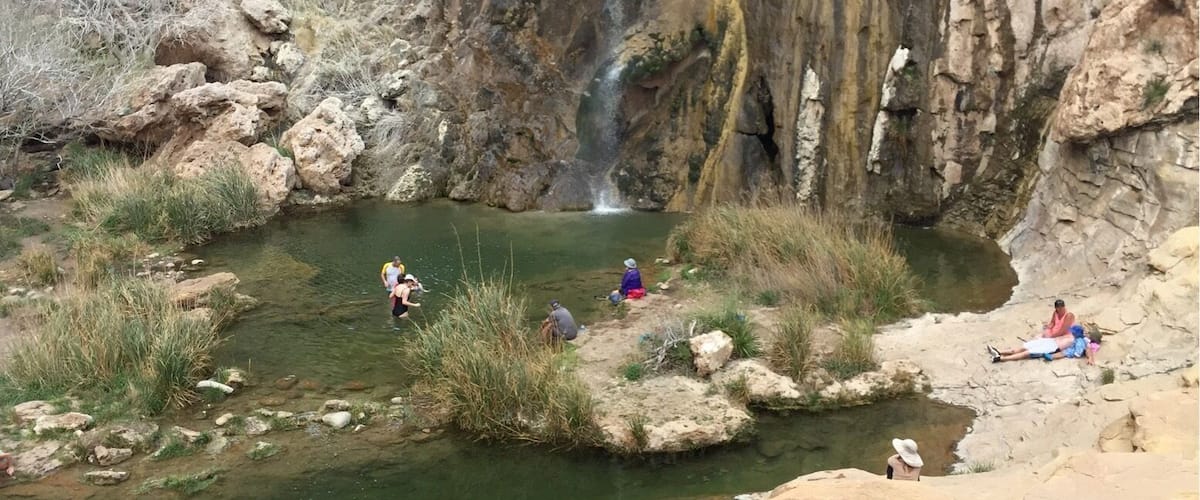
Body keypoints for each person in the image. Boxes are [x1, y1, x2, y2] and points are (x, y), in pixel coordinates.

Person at [989, 325, 1100, 363]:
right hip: (1049, 342)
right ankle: (999, 351)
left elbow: (1088, 349)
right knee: (1023, 347)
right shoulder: (1075, 335)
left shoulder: (1083, 341)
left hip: (1052, 347)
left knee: (1026, 353)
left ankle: (1001, 358)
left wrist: (1090, 359)